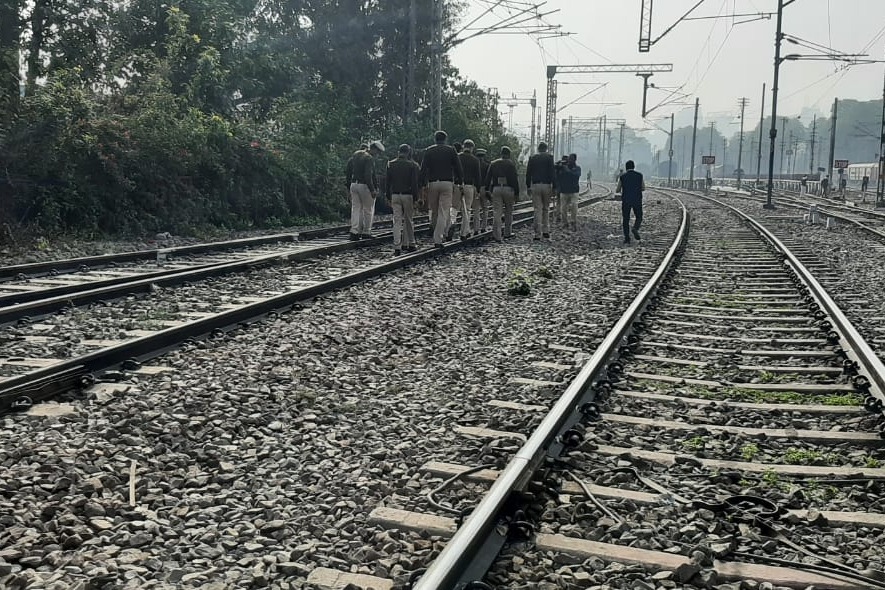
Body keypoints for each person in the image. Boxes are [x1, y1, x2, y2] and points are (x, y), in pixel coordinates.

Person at [420, 130, 464, 249]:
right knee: (443, 211)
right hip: (447, 183)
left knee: (434, 211)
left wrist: (423, 184)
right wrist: (460, 181)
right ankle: (438, 238)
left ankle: (435, 231)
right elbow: (458, 167)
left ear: (435, 139)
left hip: (433, 183)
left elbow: (423, 168)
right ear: (445, 139)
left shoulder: (429, 150)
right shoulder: (451, 150)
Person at [345, 141, 385, 240]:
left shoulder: (356, 154)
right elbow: (368, 175)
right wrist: (372, 190)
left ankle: (354, 231)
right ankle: (366, 231)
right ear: (374, 149)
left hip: (354, 184)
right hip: (364, 186)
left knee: (356, 209)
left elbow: (349, 171)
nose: (378, 154)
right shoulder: (369, 158)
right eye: (378, 152)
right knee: (368, 209)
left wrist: (348, 186)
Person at [386, 144, 420, 255]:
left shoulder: (391, 164)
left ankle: (397, 245)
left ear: (399, 152)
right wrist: (416, 198)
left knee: (397, 221)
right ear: (408, 153)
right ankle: (411, 243)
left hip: (395, 195)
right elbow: (414, 183)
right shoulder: (412, 165)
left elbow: (387, 183)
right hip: (408, 195)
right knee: (408, 220)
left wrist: (388, 196)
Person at [485, 146, 520, 242]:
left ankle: (497, 235)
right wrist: (517, 193)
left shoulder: (493, 163)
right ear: (508, 154)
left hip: (496, 189)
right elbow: (514, 179)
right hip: (508, 189)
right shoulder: (510, 164)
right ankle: (507, 233)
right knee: (509, 211)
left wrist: (487, 190)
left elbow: (488, 178)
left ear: (501, 153)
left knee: (497, 212)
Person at [525, 142, 556, 240]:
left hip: (535, 185)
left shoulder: (532, 158)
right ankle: (546, 231)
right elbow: (552, 172)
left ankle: (537, 234)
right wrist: (554, 186)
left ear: (538, 149)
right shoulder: (549, 158)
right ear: (546, 149)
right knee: (546, 209)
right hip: (547, 185)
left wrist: (528, 186)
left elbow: (528, 173)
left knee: (537, 209)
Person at [458, 140, 482, 240]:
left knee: (453, 208)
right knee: (467, 210)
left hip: (456, 185)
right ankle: (464, 232)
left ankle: (450, 226)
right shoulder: (475, 160)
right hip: (469, 186)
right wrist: (478, 189)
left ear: (463, 146)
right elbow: (478, 176)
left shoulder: (457, 157)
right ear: (472, 148)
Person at [617, 160, 645, 245]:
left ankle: (627, 238)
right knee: (639, 216)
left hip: (626, 200)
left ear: (626, 167)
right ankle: (635, 228)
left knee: (626, 219)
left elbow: (618, 190)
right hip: (637, 199)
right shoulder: (639, 176)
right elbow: (643, 188)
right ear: (634, 167)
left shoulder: (622, 177)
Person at [558, 154, 582, 232]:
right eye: (569, 159)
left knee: (574, 206)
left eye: (571, 159)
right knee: (563, 208)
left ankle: (573, 221)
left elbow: (575, 176)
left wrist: (566, 169)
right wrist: (559, 166)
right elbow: (557, 175)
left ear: (575, 160)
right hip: (564, 190)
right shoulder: (563, 167)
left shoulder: (577, 168)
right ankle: (565, 222)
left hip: (574, 191)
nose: (569, 160)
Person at [475, 149, 492, 232]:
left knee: (476, 209)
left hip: (475, 188)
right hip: (484, 188)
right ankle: (483, 227)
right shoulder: (487, 165)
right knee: (485, 208)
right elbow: (489, 178)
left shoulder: (474, 164)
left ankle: (476, 228)